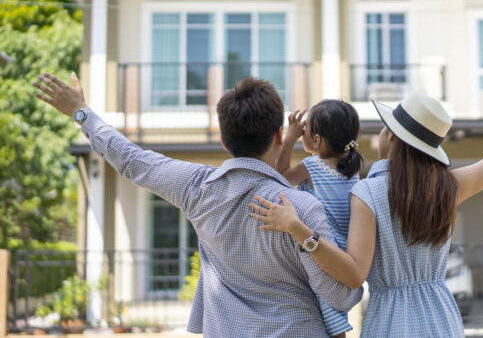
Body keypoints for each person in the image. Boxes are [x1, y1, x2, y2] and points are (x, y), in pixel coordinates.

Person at [250, 92, 483, 338]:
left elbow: (354, 272)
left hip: (391, 320)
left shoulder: (367, 192)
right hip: (442, 315)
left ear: (392, 139)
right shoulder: (447, 187)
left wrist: (300, 231)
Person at [33, 72, 362, 338]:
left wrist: (81, 113)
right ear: (279, 135)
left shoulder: (197, 188)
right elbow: (339, 297)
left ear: (223, 141)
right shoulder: (302, 208)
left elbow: (131, 160)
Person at [275, 100, 364, 337]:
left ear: (316, 141)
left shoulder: (312, 165)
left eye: (304, 128)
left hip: (322, 249)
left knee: (330, 319)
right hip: (346, 253)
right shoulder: (351, 168)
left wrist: (289, 138)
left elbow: (280, 176)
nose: (301, 130)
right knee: (332, 315)